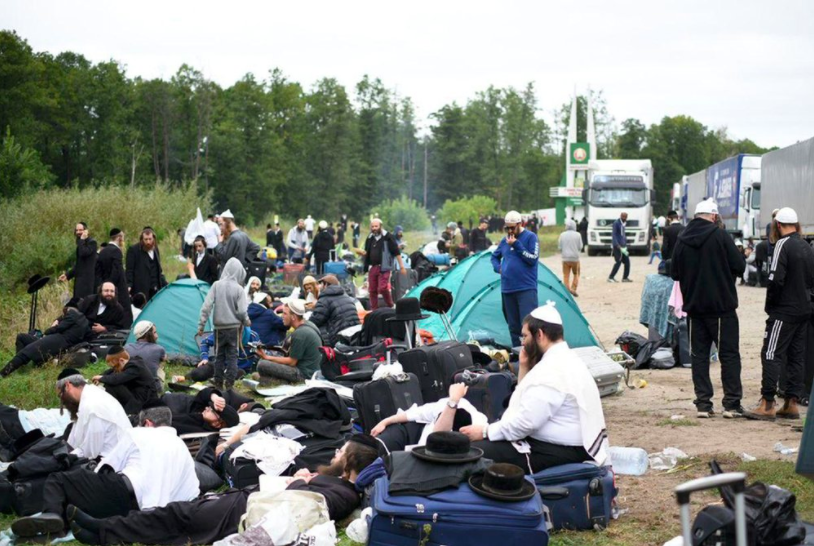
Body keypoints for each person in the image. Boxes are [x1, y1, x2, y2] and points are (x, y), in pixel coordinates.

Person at [67, 435, 379, 546]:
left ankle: (103, 530)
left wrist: (302, 481)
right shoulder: (338, 484)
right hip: (251, 501)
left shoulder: (345, 493)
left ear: (349, 462)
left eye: (341, 452)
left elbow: (311, 505)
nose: (334, 453)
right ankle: (107, 529)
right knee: (178, 516)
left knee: (179, 514)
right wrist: (304, 479)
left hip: (246, 513)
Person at [459, 303, 608, 474]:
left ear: (540, 335)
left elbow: (525, 423)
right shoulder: (565, 358)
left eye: (525, 337)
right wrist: (524, 366)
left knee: (472, 453)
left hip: (560, 450)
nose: (522, 343)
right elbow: (527, 404)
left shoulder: (552, 371)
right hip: (564, 446)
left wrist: (484, 431)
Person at [12, 404, 199, 540]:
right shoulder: (184, 452)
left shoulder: (139, 433)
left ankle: (51, 515)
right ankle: (63, 525)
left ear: (147, 423)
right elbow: (192, 492)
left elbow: (105, 468)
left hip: (124, 493)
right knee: (84, 499)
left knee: (60, 480)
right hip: (148, 516)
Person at [671, 199, 746, 419]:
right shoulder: (721, 236)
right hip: (722, 308)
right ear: (714, 216)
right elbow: (740, 267)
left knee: (699, 356)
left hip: (694, 308)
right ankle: (731, 404)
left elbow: (674, 273)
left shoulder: (682, 239)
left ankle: (703, 404)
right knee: (729, 355)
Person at [744, 208, 814, 421]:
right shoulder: (806, 246)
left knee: (770, 353)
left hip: (784, 310)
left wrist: (771, 306)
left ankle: (767, 403)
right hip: (804, 309)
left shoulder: (781, 245)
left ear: (778, 225)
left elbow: (774, 279)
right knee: (796, 356)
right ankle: (791, 402)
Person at [371, 383, 487, 453]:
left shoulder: (478, 425)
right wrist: (384, 422)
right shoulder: (444, 405)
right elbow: (416, 413)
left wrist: (454, 400)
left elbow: (438, 435)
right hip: (418, 453)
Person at [197, 258, 251, 391]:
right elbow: (242, 310)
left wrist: (201, 325)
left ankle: (218, 381)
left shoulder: (216, 285)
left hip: (218, 328)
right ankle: (230, 384)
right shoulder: (239, 289)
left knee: (219, 355)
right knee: (233, 356)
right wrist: (246, 321)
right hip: (233, 328)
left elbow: (206, 306)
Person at [58, 369, 133, 459]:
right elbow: (73, 441)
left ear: (67, 386)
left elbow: (90, 453)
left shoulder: (93, 406)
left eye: (60, 395)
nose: (62, 400)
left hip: (112, 463)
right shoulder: (90, 395)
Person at [490, 210, 539, 348]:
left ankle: (531, 354)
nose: (510, 230)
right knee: (513, 326)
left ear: (520, 224)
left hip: (525, 288)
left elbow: (532, 259)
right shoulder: (504, 241)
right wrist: (498, 268)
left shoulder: (531, 237)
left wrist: (516, 245)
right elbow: (494, 256)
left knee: (528, 325)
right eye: (507, 228)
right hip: (507, 288)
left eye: (513, 227)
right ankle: (518, 355)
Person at [2, 305, 89, 377]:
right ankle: (21, 365)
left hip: (58, 339)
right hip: (59, 341)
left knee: (26, 352)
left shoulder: (72, 313)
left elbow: (60, 328)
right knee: (22, 337)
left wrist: (50, 329)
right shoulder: (84, 321)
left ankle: (3, 373)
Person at [256, 299, 323, 383]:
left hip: (304, 375)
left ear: (293, 317)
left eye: (284, 313)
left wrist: (266, 357)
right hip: (313, 371)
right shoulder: (309, 324)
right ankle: (269, 380)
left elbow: (292, 362)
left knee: (262, 364)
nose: (282, 316)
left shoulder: (300, 333)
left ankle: (276, 381)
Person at [92, 346, 158, 416]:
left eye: (115, 366)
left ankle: (112, 412)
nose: (115, 369)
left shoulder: (134, 367)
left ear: (121, 360)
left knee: (113, 386)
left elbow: (116, 379)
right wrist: (100, 376)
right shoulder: (131, 362)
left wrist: (101, 378)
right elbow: (111, 371)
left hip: (144, 402)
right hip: (136, 397)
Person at [357, 218, 407, 310]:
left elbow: (396, 252)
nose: (374, 228)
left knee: (382, 288)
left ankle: (391, 305)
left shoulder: (388, 237)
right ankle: (374, 310)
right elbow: (367, 252)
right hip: (373, 267)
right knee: (372, 290)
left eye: (376, 226)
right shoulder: (370, 237)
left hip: (384, 266)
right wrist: (363, 254)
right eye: (372, 226)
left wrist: (402, 267)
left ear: (380, 226)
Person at [187, 326, 260, 383]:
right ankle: (186, 377)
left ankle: (218, 380)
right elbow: (204, 343)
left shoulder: (253, 336)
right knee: (198, 374)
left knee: (236, 374)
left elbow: (258, 351)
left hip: (240, 369)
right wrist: (205, 358)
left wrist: (258, 352)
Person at [161, 387, 242, 435]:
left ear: (218, 424)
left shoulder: (199, 428)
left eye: (211, 410)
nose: (207, 408)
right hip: (167, 401)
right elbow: (204, 393)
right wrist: (214, 397)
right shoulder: (203, 411)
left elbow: (168, 424)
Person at [309, 275, 361, 346]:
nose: (319, 287)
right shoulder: (347, 297)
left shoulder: (324, 299)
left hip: (339, 338)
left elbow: (315, 321)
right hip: (356, 336)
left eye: (321, 284)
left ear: (326, 285)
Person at [95, 228, 132, 327]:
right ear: (119, 237)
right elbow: (117, 271)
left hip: (103, 287)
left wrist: (103, 287)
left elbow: (98, 272)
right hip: (118, 289)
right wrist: (110, 287)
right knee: (124, 313)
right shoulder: (117, 251)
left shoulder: (102, 251)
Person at [125, 228, 167, 303]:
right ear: (142, 239)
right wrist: (129, 285)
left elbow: (158, 269)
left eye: (150, 239)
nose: (148, 242)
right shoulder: (133, 250)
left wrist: (163, 282)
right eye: (146, 239)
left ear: (153, 238)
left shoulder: (155, 249)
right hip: (141, 287)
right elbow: (129, 270)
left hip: (155, 288)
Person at [123, 321, 166, 393]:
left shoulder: (127, 347)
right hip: (153, 388)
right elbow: (164, 359)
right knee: (160, 365)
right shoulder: (159, 348)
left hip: (131, 386)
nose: (157, 336)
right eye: (155, 332)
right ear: (148, 335)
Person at [59, 222, 98, 299]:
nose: (78, 232)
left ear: (86, 231)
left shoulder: (92, 242)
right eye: (76, 230)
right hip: (79, 281)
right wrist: (67, 275)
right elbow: (79, 264)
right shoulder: (81, 244)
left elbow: (84, 253)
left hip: (87, 282)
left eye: (81, 230)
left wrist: (82, 240)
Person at [557, 219, 582, 297]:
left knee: (566, 275)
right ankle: (573, 288)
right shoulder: (578, 235)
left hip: (565, 259)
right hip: (575, 258)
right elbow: (580, 247)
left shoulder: (562, 235)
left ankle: (567, 290)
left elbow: (559, 247)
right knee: (576, 274)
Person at [608, 212, 631, 283]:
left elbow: (622, 235)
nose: (624, 218)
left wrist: (625, 244)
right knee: (618, 262)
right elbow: (614, 235)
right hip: (618, 247)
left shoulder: (623, 224)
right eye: (623, 217)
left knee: (627, 262)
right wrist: (617, 244)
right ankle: (611, 277)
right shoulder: (616, 223)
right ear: (621, 216)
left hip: (623, 247)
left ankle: (625, 278)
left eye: (626, 217)